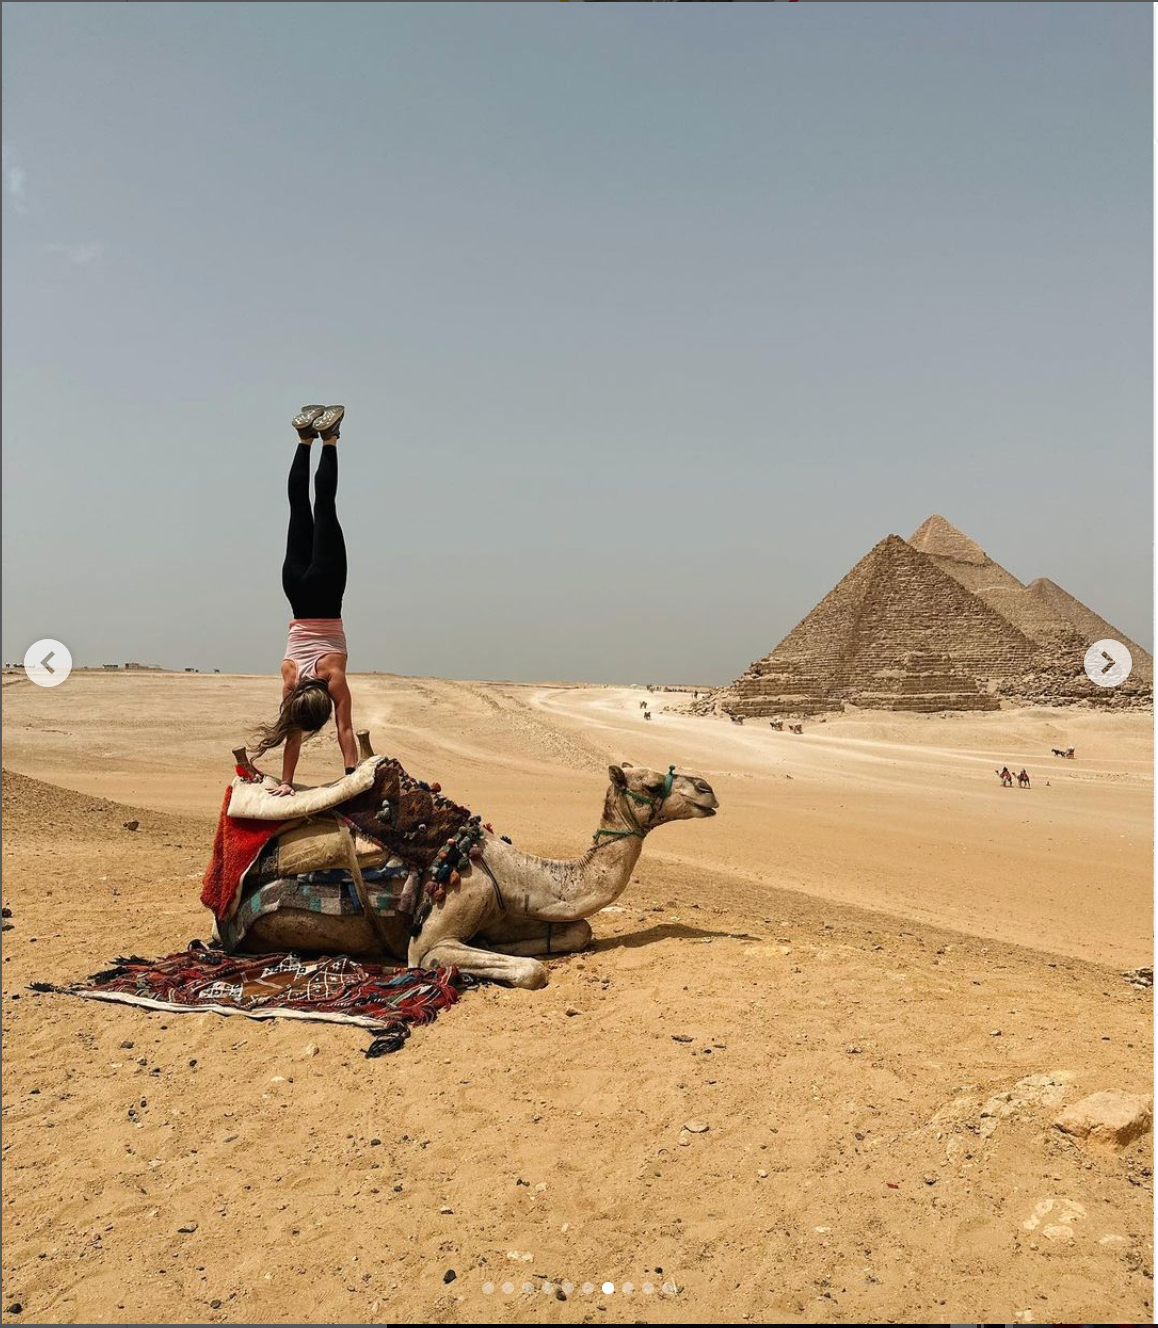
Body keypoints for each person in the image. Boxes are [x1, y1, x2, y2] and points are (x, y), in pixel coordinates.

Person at [251, 405, 357, 795]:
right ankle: (303, 438)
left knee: (323, 507)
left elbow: (345, 728)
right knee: (298, 508)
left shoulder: (334, 678)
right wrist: (288, 781)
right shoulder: (290, 679)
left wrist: (352, 774)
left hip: (328, 588)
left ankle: (328, 438)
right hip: (295, 589)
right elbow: (292, 733)